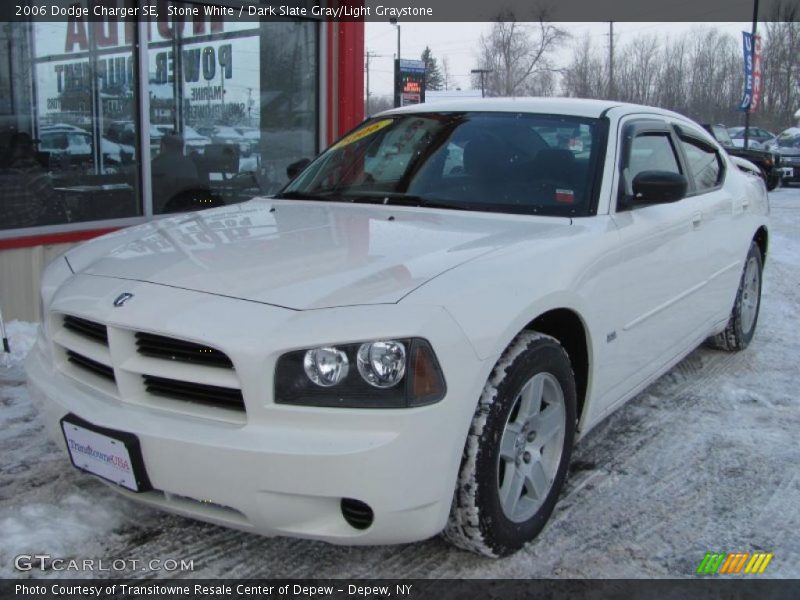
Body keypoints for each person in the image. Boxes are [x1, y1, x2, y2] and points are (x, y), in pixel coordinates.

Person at [0, 132, 66, 229]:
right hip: (30, 226)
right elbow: (51, 198)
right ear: (28, 150)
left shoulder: (4, 170)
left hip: (6, 228)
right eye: (32, 147)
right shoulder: (30, 170)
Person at [150, 133, 203, 213]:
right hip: (187, 208)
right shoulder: (189, 163)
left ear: (163, 146)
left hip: (163, 211)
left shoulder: (159, 163)